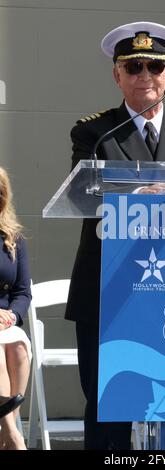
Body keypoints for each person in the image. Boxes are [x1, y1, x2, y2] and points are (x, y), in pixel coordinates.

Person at [65, 21, 165, 450]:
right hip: (111, 286)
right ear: (116, 75)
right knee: (110, 404)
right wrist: (140, 194)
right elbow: (83, 194)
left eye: (155, 67)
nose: (144, 76)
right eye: (133, 66)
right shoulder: (94, 132)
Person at [0, 167, 32, 450]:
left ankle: (7, 426)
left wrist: (13, 315)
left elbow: (23, 292)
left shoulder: (13, 238)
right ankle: (12, 435)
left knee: (20, 348)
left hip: (5, 323)